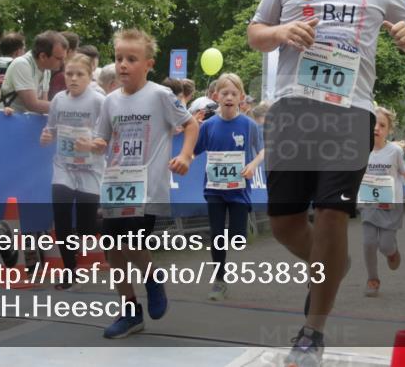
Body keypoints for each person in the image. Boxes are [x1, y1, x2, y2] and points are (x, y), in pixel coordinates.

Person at [247, 0, 405, 365]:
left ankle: (312, 331)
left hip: (350, 110)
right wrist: (281, 33)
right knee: (285, 221)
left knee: (330, 213)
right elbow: (255, 33)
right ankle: (335, 264)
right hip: (291, 107)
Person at [95, 29, 198, 339]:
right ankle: (129, 312)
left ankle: (152, 278)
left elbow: (191, 125)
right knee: (112, 249)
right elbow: (103, 139)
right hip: (115, 185)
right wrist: (90, 144)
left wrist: (185, 156)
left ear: (148, 64)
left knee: (130, 244)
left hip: (148, 188)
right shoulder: (110, 101)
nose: (123, 65)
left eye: (131, 59)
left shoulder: (160, 96)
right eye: (118, 59)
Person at [193, 73, 264, 301]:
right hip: (214, 189)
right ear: (216, 96)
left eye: (234, 93)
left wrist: (252, 164)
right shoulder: (208, 126)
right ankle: (219, 280)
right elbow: (194, 150)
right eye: (225, 93)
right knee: (216, 235)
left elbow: (263, 149)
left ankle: (244, 228)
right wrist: (183, 160)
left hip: (238, 191)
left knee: (237, 238)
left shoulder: (248, 125)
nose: (229, 97)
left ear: (241, 98)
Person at [40, 52, 106, 289]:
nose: (74, 79)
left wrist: (91, 144)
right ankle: (69, 271)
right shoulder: (58, 99)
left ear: (90, 77)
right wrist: (47, 135)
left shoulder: (99, 101)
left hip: (91, 168)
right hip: (64, 166)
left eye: (80, 74)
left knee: (87, 227)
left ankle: (111, 228)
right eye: (69, 74)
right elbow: (51, 129)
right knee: (62, 217)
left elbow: (107, 137)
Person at [359, 106, 405, 298]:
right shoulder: (359, 149)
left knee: (385, 245)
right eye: (373, 124)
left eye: (382, 125)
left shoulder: (394, 152)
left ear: (389, 130)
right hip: (369, 204)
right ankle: (373, 279)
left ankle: (392, 252)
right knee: (368, 242)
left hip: (391, 206)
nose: (376, 128)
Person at [0, 30, 67, 113]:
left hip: (27, 121)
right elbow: (32, 105)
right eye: (59, 59)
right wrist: (68, 108)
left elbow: (44, 103)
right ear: (43, 56)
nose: (63, 63)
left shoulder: (46, 69)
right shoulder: (21, 64)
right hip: (8, 120)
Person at [47, 31, 79, 97]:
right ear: (70, 51)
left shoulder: (49, 65)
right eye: (76, 50)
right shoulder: (62, 74)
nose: (77, 53)